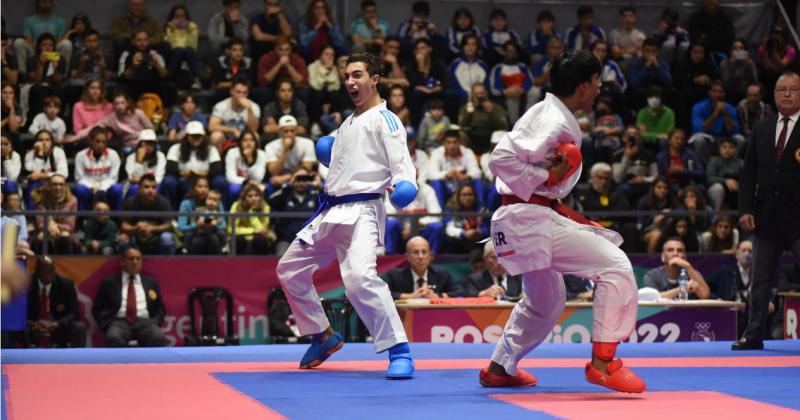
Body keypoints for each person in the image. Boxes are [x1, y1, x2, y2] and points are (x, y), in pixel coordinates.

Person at [480, 50, 645, 393]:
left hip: (525, 217)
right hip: (528, 219)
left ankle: (499, 367)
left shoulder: (553, 114)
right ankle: (603, 363)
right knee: (615, 266)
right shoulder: (552, 119)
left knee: (545, 301)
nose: (600, 88)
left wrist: (548, 176)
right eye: (597, 81)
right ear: (584, 85)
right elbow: (500, 158)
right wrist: (548, 172)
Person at [275, 52, 418, 378]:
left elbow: (403, 167)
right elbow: (344, 164)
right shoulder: (349, 121)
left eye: (357, 75)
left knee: (358, 280)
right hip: (331, 211)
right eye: (347, 77)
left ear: (374, 79)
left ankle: (400, 350)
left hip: (363, 211)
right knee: (289, 270)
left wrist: (406, 186)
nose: (350, 82)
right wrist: (330, 149)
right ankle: (323, 335)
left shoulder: (387, 121)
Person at [733, 71, 800, 350]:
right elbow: (748, 175)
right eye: (781, 89)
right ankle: (753, 333)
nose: (786, 94)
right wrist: (745, 209)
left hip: (799, 217)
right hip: (766, 216)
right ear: (773, 95)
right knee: (759, 280)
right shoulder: (761, 128)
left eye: (792, 89)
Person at [92, 244, 168, 347]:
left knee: (158, 337)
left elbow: (160, 308)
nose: (135, 262)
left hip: (145, 322)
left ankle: (150, 364)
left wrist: (155, 322)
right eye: (131, 258)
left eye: (138, 259)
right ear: (122, 261)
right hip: (119, 322)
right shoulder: (109, 282)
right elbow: (97, 308)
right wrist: (107, 324)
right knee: (113, 338)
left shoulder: (151, 282)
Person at [162, 121, 227, 209]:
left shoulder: (211, 149)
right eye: (193, 136)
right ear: (187, 136)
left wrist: (202, 173)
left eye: (199, 136)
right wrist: (181, 172)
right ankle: (170, 214)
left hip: (205, 182)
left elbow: (217, 170)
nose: (196, 138)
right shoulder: (176, 148)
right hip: (183, 180)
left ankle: (220, 213)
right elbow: (169, 169)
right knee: (168, 181)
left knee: (221, 181)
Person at [27, 256, 86, 348]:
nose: (48, 275)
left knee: (79, 327)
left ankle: (77, 359)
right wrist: (32, 323)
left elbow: (74, 313)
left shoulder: (66, 284)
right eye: (45, 272)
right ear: (37, 271)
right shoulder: (26, 284)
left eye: (51, 271)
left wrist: (57, 324)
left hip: (57, 326)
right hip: (33, 326)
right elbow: (17, 313)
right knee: (12, 327)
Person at [65, 92, 153, 153]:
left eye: (122, 103)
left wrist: (146, 142)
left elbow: (150, 128)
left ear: (127, 103)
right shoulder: (111, 118)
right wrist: (76, 137)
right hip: (127, 146)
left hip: (144, 142)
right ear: (113, 105)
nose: (120, 106)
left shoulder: (138, 113)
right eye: (117, 103)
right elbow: (94, 127)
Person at [382, 236, 462, 299]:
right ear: (408, 257)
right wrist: (409, 296)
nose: (420, 257)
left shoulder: (442, 274)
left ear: (430, 256)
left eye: (424, 252)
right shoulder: (394, 275)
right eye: (416, 252)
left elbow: (461, 292)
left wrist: (438, 296)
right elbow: (382, 294)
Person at [268, 167, 321, 256]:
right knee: (281, 257)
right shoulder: (285, 195)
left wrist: (319, 187)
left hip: (309, 240)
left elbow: (329, 205)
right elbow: (271, 201)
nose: (301, 182)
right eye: (298, 179)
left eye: (304, 179)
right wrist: (289, 184)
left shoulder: (315, 196)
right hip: (287, 240)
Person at [119, 174, 175, 255]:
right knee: (123, 239)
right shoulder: (130, 203)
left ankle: (167, 266)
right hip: (136, 236)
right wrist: (136, 228)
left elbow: (168, 225)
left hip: (156, 236)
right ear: (138, 190)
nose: (150, 190)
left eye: (153, 187)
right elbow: (124, 225)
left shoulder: (163, 202)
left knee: (167, 238)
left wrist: (151, 228)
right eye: (146, 187)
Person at [643, 237, 710, 300]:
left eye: (680, 250)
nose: (675, 254)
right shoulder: (652, 275)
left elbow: (705, 295)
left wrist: (688, 266)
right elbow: (652, 298)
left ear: (685, 256)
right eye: (670, 250)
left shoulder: (692, 273)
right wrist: (683, 289)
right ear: (663, 257)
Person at [74, 127, 122, 210]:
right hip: (88, 188)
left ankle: (116, 218)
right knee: (80, 189)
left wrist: (102, 188)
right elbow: (79, 178)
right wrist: (92, 187)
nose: (101, 145)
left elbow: (113, 177)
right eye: (98, 141)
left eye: (104, 142)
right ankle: (84, 218)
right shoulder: (80, 156)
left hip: (106, 187)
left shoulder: (113, 154)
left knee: (117, 189)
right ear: (90, 141)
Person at [32, 173, 79, 254]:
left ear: (65, 187)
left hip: (65, 232)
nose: (58, 187)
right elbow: (39, 223)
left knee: (65, 236)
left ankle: (65, 265)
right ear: (49, 186)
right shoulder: (40, 200)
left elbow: (70, 226)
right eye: (54, 184)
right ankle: (43, 264)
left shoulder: (72, 201)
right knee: (41, 236)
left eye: (61, 184)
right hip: (45, 231)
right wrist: (49, 226)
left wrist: (54, 226)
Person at [177, 178, 226, 255]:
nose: (203, 189)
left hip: (213, 234)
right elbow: (182, 226)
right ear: (193, 189)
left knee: (214, 239)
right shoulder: (186, 204)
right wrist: (197, 225)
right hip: (195, 235)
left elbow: (223, 225)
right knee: (198, 241)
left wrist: (213, 224)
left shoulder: (217, 203)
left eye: (206, 186)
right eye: (200, 186)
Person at [264, 115, 316, 187]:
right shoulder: (270, 146)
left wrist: (288, 177)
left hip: (300, 176)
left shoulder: (308, 143)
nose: (290, 134)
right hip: (280, 177)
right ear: (280, 132)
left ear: (296, 130)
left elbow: (307, 168)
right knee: (272, 182)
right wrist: (284, 150)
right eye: (286, 131)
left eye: (292, 131)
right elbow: (274, 172)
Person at [163, 5, 202, 90]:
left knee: (188, 50)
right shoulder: (170, 27)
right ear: (173, 17)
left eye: (183, 16)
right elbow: (170, 44)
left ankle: (197, 80)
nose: (180, 19)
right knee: (179, 50)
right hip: (175, 51)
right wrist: (173, 30)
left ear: (186, 16)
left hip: (190, 51)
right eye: (177, 16)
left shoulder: (192, 26)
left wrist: (187, 30)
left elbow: (192, 43)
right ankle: (168, 78)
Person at [229, 182, 273, 255]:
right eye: (250, 196)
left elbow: (262, 230)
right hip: (242, 238)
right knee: (239, 239)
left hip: (258, 239)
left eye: (256, 195)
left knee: (259, 240)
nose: (253, 198)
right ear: (244, 198)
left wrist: (251, 213)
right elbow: (232, 229)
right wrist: (253, 231)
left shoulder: (265, 207)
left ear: (260, 197)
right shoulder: (236, 206)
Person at [225, 130, 267, 201]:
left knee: (265, 190)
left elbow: (259, 177)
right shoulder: (232, 153)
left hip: (255, 184)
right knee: (234, 189)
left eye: (251, 140)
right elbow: (230, 176)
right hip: (240, 183)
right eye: (245, 140)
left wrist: (249, 160)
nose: (248, 143)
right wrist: (246, 181)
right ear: (240, 143)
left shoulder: (261, 154)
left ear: (255, 143)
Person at [124, 129, 166, 199]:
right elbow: (132, 179)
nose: (149, 146)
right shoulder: (131, 157)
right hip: (136, 186)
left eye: (151, 143)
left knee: (157, 188)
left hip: (154, 186)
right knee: (134, 188)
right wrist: (139, 161)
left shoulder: (160, 156)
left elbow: (158, 179)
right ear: (140, 144)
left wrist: (140, 181)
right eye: (146, 143)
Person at [706, 137, 743, 210]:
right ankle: (715, 216)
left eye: (731, 147)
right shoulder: (715, 161)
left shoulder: (741, 163)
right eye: (724, 147)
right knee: (718, 188)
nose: (727, 150)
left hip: (736, 189)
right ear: (720, 149)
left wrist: (739, 184)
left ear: (735, 150)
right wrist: (726, 181)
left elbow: (746, 179)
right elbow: (709, 179)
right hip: (718, 191)